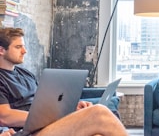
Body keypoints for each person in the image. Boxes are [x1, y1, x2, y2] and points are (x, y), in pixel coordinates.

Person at [0, 27, 128, 136]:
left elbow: (44, 102)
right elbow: (5, 117)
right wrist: (51, 117)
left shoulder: (25, 74)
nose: (24, 51)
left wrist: (71, 107)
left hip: (45, 124)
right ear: (1, 50)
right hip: (29, 131)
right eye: (18, 47)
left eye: (23, 46)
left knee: (100, 130)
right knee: (99, 113)